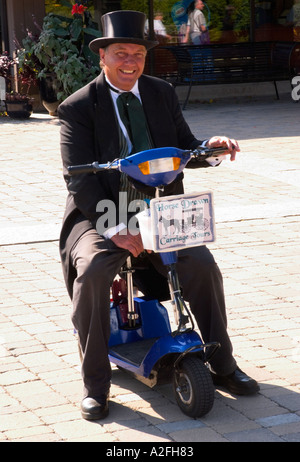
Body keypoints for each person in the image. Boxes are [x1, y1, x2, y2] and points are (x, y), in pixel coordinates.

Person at [58, 10, 259, 421]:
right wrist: (115, 230)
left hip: (158, 208)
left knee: (202, 265)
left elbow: (184, 146)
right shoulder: (77, 106)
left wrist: (212, 147)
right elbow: (78, 180)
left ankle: (223, 365)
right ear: (102, 57)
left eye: (137, 54)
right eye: (120, 53)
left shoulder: (161, 92)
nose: (130, 61)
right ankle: (96, 384)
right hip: (102, 210)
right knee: (95, 269)